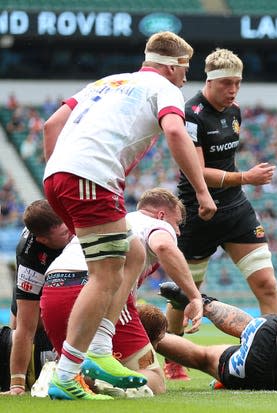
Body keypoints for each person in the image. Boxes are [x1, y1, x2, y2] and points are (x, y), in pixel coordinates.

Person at [41, 31, 216, 400]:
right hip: (92, 178)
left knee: (133, 252)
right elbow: (173, 130)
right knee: (105, 275)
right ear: (172, 67)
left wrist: (60, 168)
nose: (186, 79)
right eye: (186, 71)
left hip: (58, 177)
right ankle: (67, 375)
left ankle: (101, 351)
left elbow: (50, 125)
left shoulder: (105, 82)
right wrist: (201, 189)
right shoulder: (165, 87)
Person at [168, 48, 277, 379]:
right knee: (182, 295)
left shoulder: (234, 111)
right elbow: (196, 168)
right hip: (197, 213)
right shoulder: (191, 114)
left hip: (235, 210)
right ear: (210, 81)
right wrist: (246, 178)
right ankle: (174, 356)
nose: (233, 90)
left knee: (267, 284)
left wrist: (240, 183)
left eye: (238, 83)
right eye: (227, 84)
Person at [39, 188, 205, 397]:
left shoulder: (116, 219)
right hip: (94, 287)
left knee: (80, 363)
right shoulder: (157, 225)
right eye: (177, 223)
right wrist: (194, 296)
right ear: (162, 215)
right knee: (153, 377)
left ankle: (58, 372)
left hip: (53, 287)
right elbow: (163, 245)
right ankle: (104, 386)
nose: (178, 232)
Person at [2, 200, 72, 396]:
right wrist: (16, 385)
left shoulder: (73, 222)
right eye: (64, 234)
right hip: (38, 287)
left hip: (72, 283)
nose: (70, 235)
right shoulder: (30, 256)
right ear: (43, 240)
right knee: (19, 332)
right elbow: (25, 329)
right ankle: (17, 381)